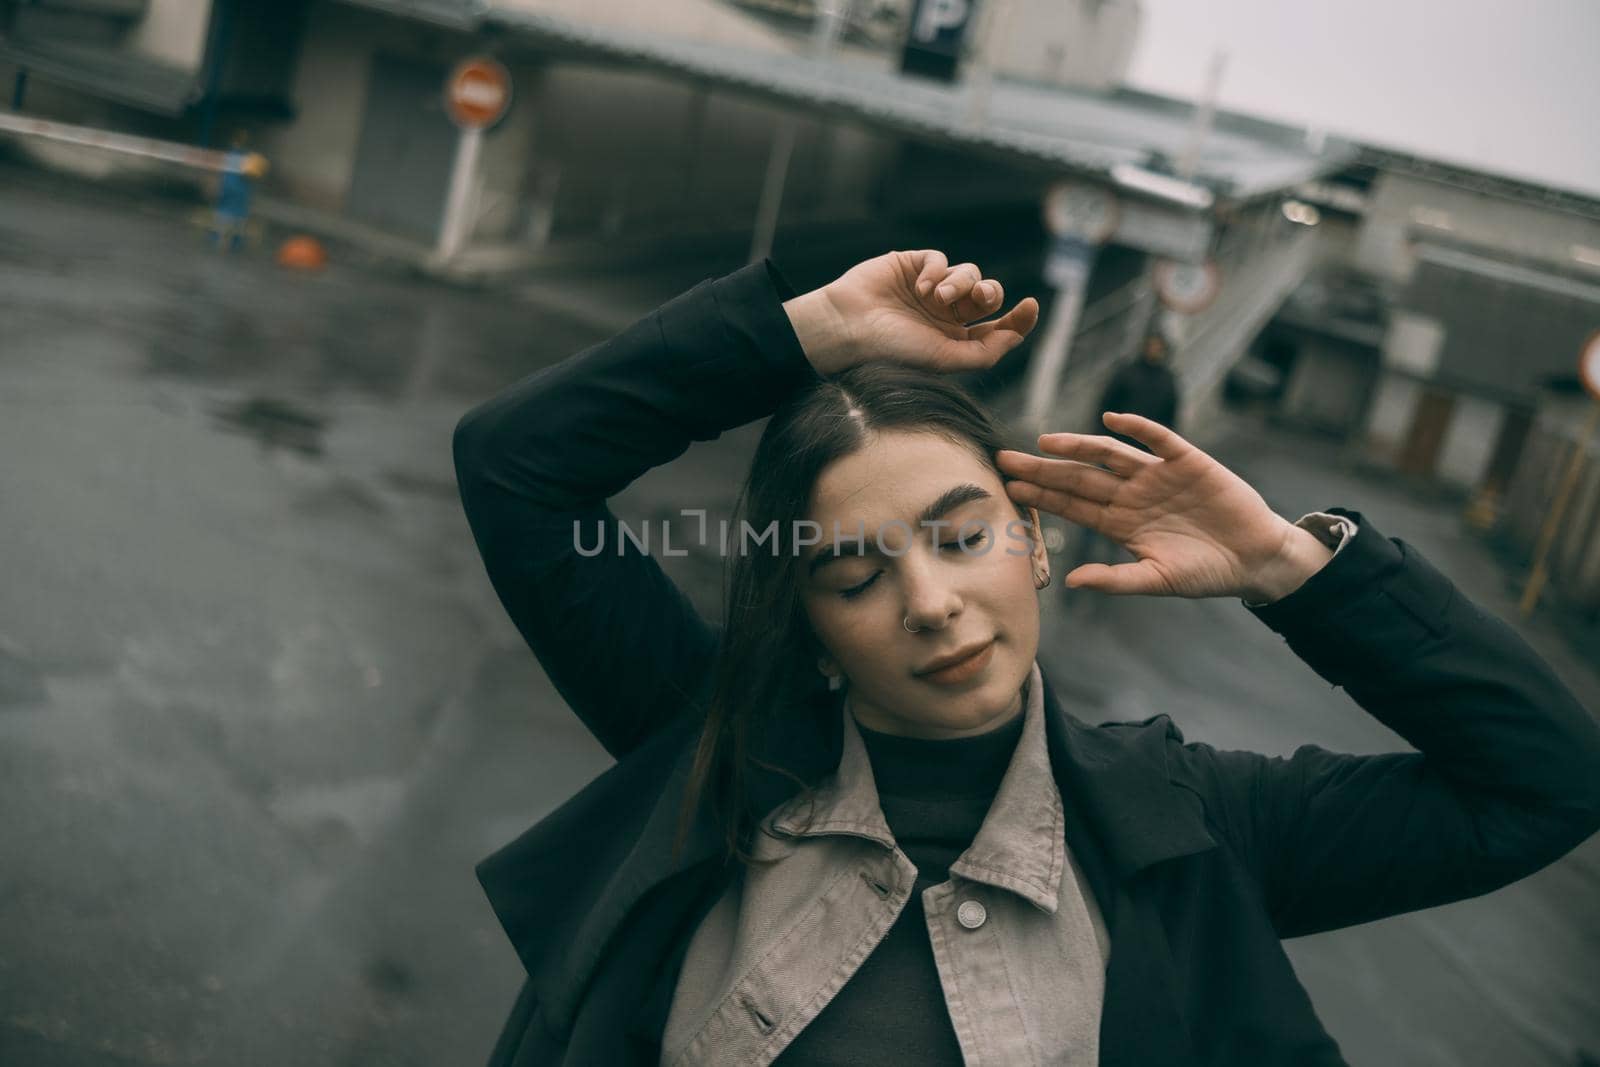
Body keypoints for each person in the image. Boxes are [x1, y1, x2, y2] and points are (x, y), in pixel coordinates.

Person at [450, 250, 1600, 1066]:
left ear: (1034, 542)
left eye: (962, 536)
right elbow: (514, 463)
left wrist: (1288, 562)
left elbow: (1546, 780)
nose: (931, 603)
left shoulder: (1192, 826)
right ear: (807, 618)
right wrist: (815, 333)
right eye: (856, 575)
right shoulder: (714, 750)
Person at [1067, 329, 1181, 584]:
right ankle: (1086, 543)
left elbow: (1171, 421)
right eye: (1150, 345)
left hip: (1142, 456)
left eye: (1158, 347)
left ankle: (1113, 543)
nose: (1153, 350)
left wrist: (1164, 455)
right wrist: (1098, 436)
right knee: (1098, 492)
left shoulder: (1168, 382)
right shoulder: (1127, 372)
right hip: (1113, 449)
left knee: (1128, 499)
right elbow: (1105, 404)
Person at [209, 130, 265, 252]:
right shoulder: (251, 158)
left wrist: (218, 191)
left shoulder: (232, 156)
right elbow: (253, 178)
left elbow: (226, 179)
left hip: (229, 198)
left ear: (234, 141)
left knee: (222, 232)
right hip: (241, 200)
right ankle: (232, 245)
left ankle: (222, 245)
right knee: (236, 232)